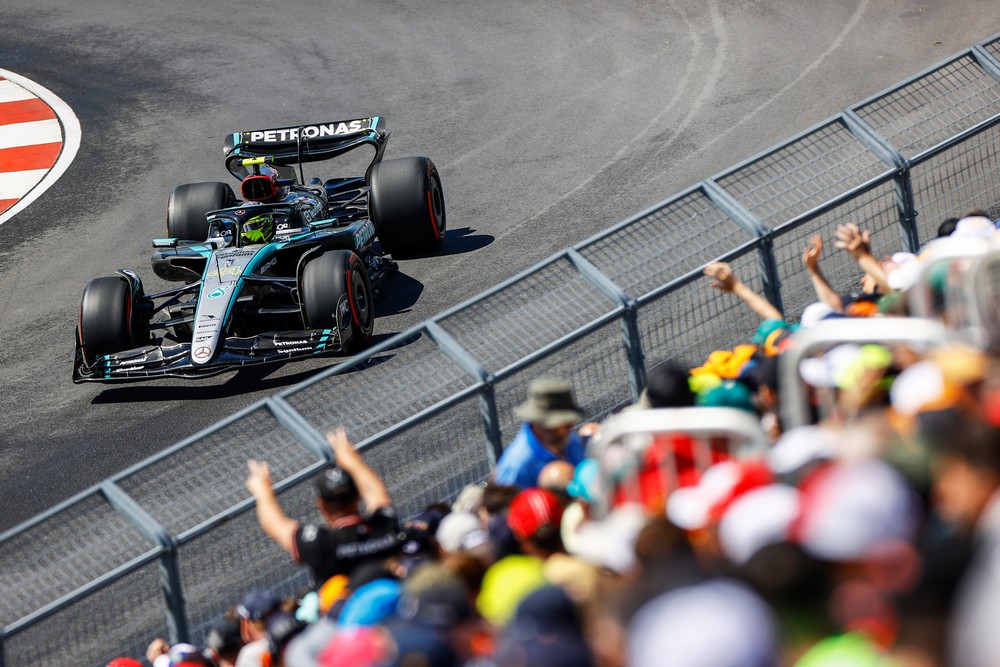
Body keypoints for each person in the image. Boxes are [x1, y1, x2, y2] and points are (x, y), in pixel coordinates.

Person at [246, 427, 402, 586]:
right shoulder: (385, 527)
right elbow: (377, 494)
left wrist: (262, 489)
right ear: (358, 495)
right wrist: (350, 459)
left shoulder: (322, 545)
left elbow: (274, 524)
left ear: (322, 505)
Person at [493, 378, 589, 489]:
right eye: (564, 424)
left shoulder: (571, 441)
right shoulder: (517, 466)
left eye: (569, 423)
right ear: (539, 423)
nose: (570, 427)